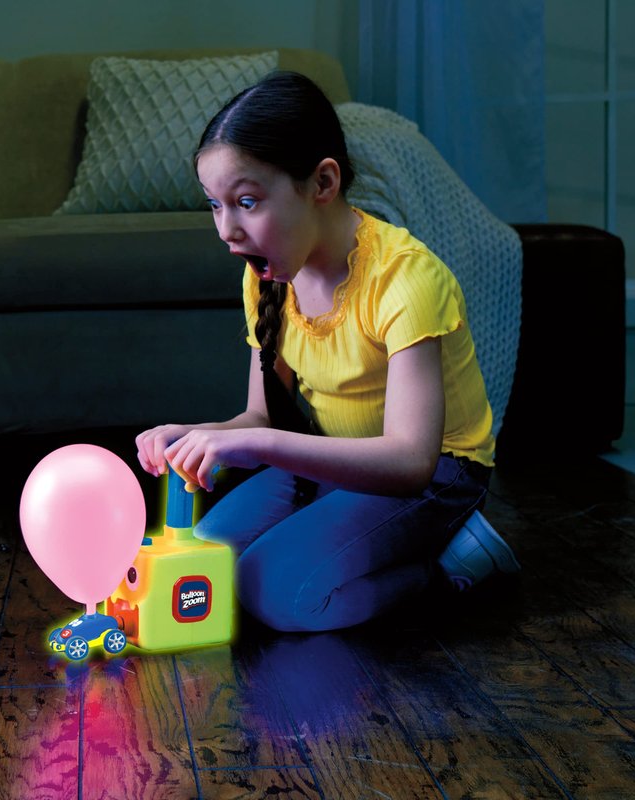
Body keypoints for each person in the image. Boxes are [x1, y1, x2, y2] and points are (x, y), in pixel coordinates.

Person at [135, 71, 519, 633]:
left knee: (280, 592)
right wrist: (197, 434)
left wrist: (260, 445)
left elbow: (410, 462)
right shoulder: (266, 275)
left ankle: (448, 564)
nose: (226, 230)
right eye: (215, 206)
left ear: (323, 182)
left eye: (246, 202)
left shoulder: (406, 280)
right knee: (210, 564)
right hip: (330, 461)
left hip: (434, 474)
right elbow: (260, 417)